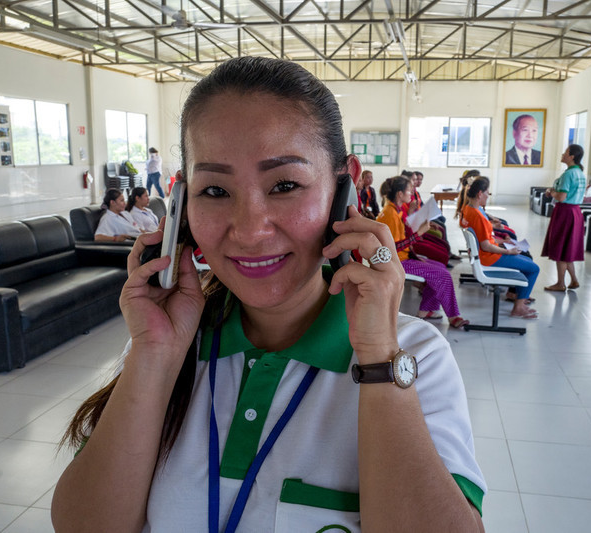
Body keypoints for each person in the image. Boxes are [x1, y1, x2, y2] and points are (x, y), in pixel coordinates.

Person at [52, 56, 485, 533]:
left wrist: (380, 359)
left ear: (345, 185)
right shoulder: (164, 346)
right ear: (180, 204)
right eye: (215, 191)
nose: (250, 231)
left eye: (284, 185)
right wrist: (154, 354)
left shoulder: (414, 357)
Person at [378, 175, 471, 329]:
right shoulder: (390, 214)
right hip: (398, 262)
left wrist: (412, 217)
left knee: (440, 267)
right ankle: (454, 316)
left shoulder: (395, 210)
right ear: (400, 194)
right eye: (409, 191)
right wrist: (418, 234)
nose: (411, 194)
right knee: (443, 274)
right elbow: (392, 248)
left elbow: (402, 233)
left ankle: (427, 310)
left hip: (403, 257)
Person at [462, 177, 540, 319]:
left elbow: (484, 239)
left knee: (525, 259)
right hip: (489, 258)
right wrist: (508, 251)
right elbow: (486, 246)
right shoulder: (478, 216)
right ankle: (518, 307)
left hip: (485, 254)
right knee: (534, 269)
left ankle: (519, 301)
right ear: (480, 194)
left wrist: (503, 241)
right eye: (487, 193)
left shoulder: (468, 209)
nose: (488, 196)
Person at [542, 144, 587, 291]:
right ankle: (573, 280)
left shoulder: (569, 174)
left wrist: (551, 192)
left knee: (560, 248)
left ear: (572, 156)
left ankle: (560, 283)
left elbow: (561, 196)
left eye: (566, 152)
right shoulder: (580, 172)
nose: (563, 154)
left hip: (565, 213)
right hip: (576, 212)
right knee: (568, 249)